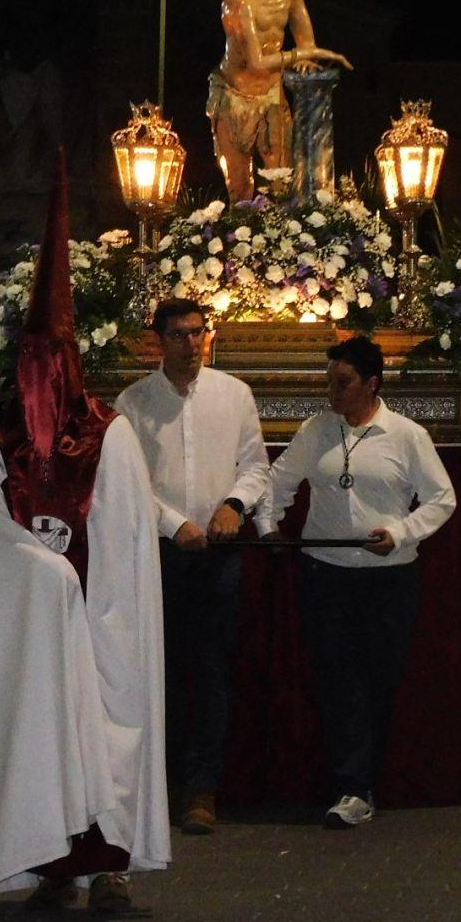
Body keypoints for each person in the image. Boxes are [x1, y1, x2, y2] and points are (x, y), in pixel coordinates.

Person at [0, 152, 168, 914]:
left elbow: (128, 542)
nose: (43, 379)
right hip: (36, 629)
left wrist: (93, 608)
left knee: (109, 734)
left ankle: (108, 863)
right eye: (32, 363)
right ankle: (46, 860)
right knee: (38, 733)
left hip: (100, 625)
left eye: (57, 363)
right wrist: (47, 581)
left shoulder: (109, 438)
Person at [257, 334, 455, 830]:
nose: (333, 394)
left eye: (343, 384)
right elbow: (276, 483)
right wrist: (270, 529)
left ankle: (371, 779)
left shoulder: (406, 435)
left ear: (372, 383)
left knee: (379, 679)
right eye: (329, 383)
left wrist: (401, 532)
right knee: (338, 679)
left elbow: (442, 498)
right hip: (326, 574)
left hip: (388, 579)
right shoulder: (315, 430)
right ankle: (353, 787)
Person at [115, 298, 269, 835]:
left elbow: (255, 466)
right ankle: (160, 781)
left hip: (219, 554)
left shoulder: (234, 395)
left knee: (209, 670)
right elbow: (129, 480)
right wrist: (173, 523)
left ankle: (202, 787)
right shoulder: (134, 403)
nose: (189, 344)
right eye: (178, 335)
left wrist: (234, 505)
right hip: (161, 552)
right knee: (158, 667)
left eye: (196, 334)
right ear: (158, 340)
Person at [205, 0, 352, 202]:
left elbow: (305, 42)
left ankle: (281, 246)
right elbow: (258, 62)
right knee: (240, 188)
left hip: (272, 95)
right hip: (234, 96)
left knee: (282, 184)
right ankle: (241, 245)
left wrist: (307, 57)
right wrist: (316, 54)